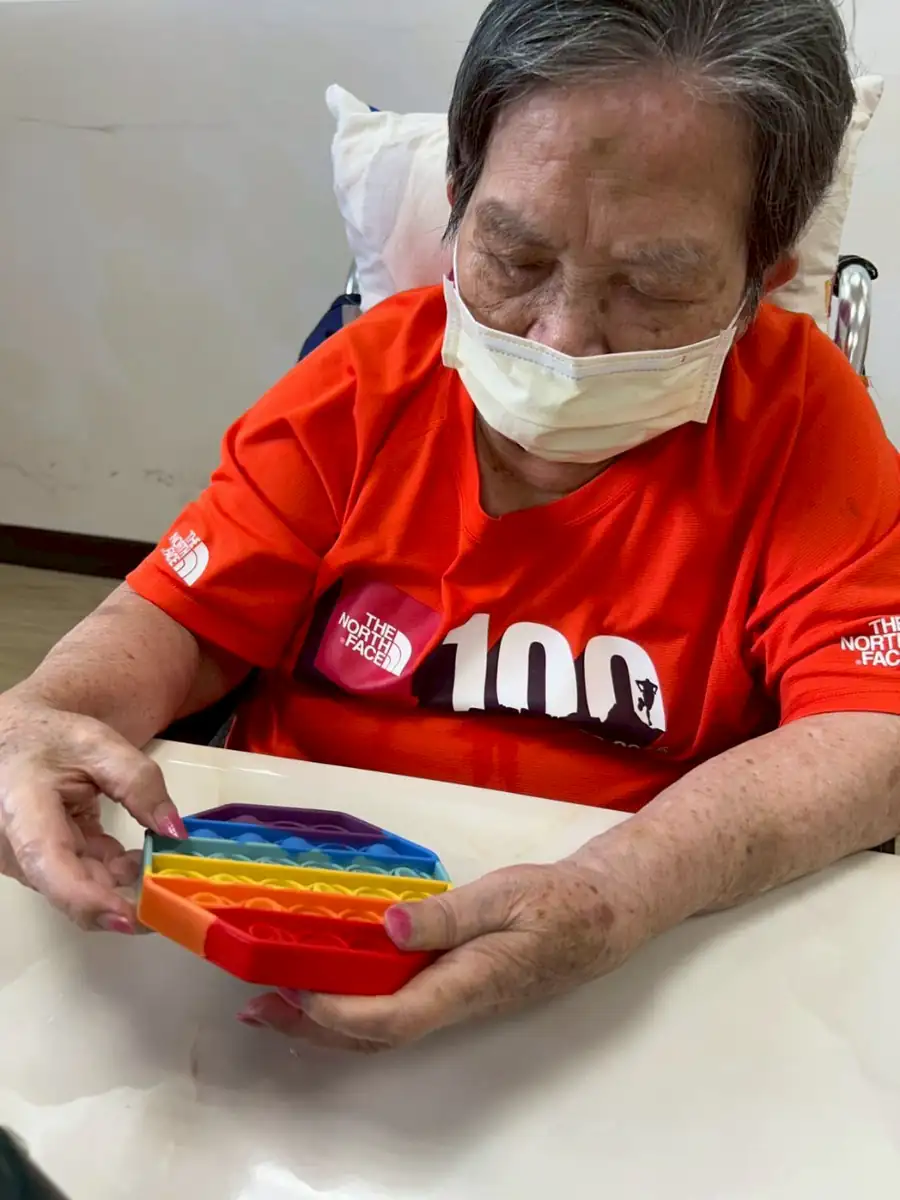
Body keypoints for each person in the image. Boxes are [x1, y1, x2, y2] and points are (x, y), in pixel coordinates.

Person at [1, 0, 899, 1052]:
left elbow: (872, 733)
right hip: (284, 908)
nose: (562, 338)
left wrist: (623, 889)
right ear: (458, 206)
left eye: (653, 287)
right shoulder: (363, 385)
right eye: (514, 259)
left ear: (762, 279)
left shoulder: (804, 422)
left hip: (622, 976)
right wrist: (44, 713)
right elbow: (183, 617)